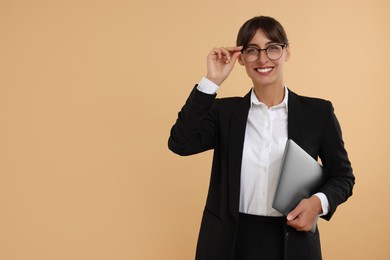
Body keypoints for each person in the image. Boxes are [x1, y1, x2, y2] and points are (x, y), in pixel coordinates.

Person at [168, 16, 355, 260]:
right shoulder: (225, 113)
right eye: (252, 51)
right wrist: (212, 81)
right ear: (242, 58)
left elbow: (343, 176)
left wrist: (318, 203)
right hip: (230, 243)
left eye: (272, 48)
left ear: (286, 53)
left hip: (292, 242)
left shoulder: (317, 113)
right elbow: (181, 143)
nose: (263, 59)